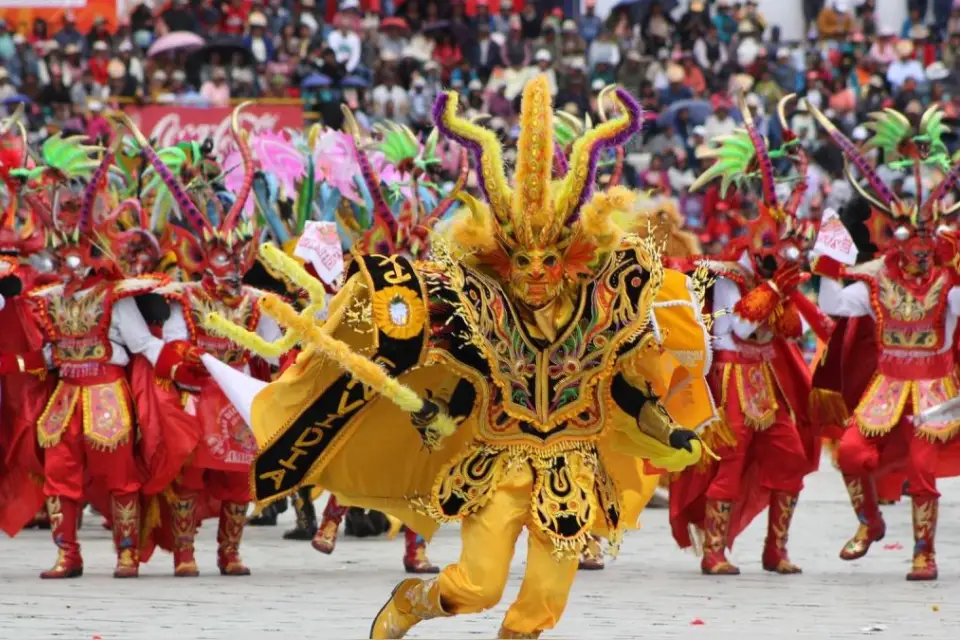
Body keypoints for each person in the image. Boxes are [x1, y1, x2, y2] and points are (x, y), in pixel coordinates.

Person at [208, 76, 716, 639]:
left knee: (543, 601)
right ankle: (414, 601)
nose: (536, 273)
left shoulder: (600, 314)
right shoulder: (478, 309)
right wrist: (433, 416)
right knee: (479, 586)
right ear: (502, 258)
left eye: (549, 259)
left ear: (572, 257)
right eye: (522, 259)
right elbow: (464, 383)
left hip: (572, 467)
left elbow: (624, 391)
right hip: (499, 462)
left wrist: (669, 432)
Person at [808, 101, 960, 581]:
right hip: (888, 386)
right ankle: (870, 523)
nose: (916, 246)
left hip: (935, 387)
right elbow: (833, 300)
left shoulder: (949, 282)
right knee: (852, 453)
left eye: (925, 236)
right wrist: (830, 240)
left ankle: (924, 552)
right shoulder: (875, 278)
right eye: (907, 235)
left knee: (921, 469)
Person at [673, 97, 821, 576]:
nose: (774, 257)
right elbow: (734, 327)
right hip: (733, 380)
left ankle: (774, 549)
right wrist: (773, 290)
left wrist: (783, 296)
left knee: (792, 460)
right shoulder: (726, 274)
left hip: (768, 379)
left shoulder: (775, 275)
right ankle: (714, 552)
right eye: (769, 247)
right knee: (730, 464)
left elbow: (792, 332)